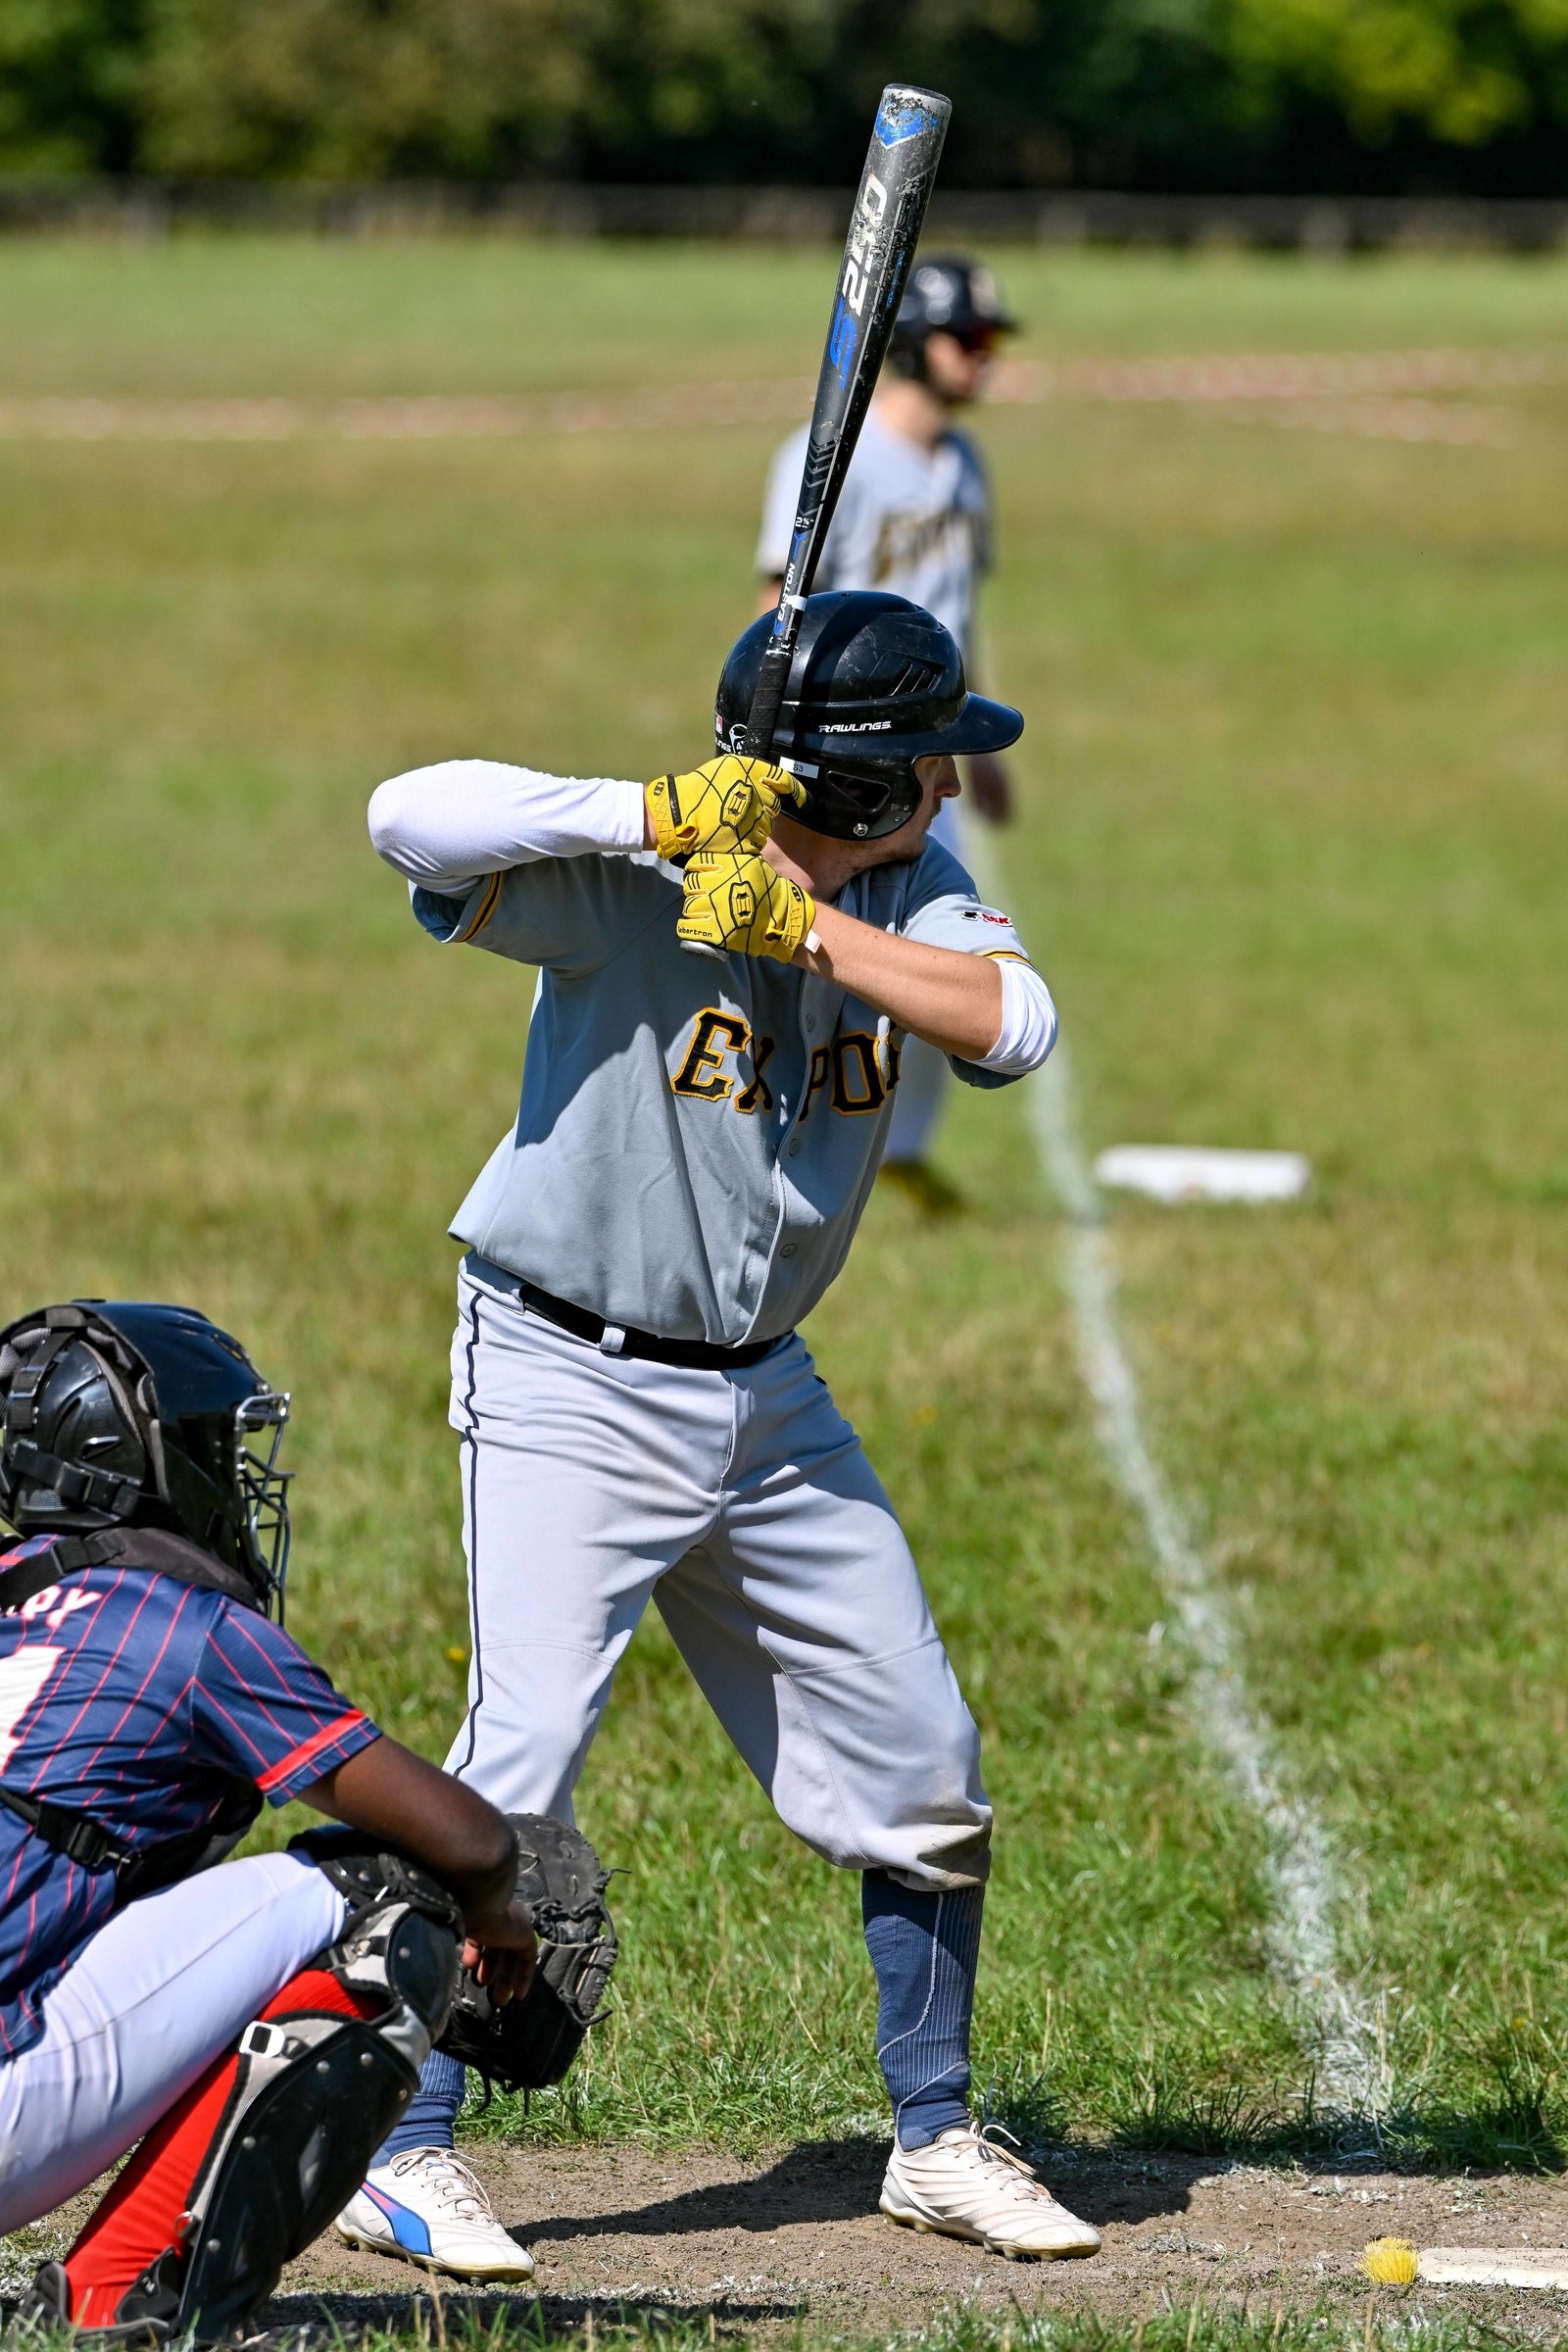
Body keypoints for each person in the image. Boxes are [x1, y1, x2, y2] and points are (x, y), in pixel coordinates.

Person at [346, 586, 1101, 2274]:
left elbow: (1015, 1026)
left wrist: (801, 928)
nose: (951, 788)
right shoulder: (631, 887)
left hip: (766, 1396)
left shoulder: (914, 894)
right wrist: (659, 819)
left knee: (921, 1758)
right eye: (925, 764)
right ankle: (399, 2147)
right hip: (566, 1379)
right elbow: (406, 815)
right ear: (850, 784)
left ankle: (933, 2138)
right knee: (517, 1768)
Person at [0, 1298, 539, 2341]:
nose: (237, 1472)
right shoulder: (185, 1627)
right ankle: (135, 2296)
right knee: (390, 1894)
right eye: (213, 1441)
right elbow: (471, 1842)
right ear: (151, 1466)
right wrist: (498, 1914)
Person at [758, 256, 1019, 1213]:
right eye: (970, 341)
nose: (987, 361)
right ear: (912, 342)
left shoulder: (963, 465)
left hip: (928, 754)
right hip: (846, 759)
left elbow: (960, 613)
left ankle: (891, 1151)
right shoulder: (829, 457)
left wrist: (976, 746)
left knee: (931, 953)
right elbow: (774, 608)